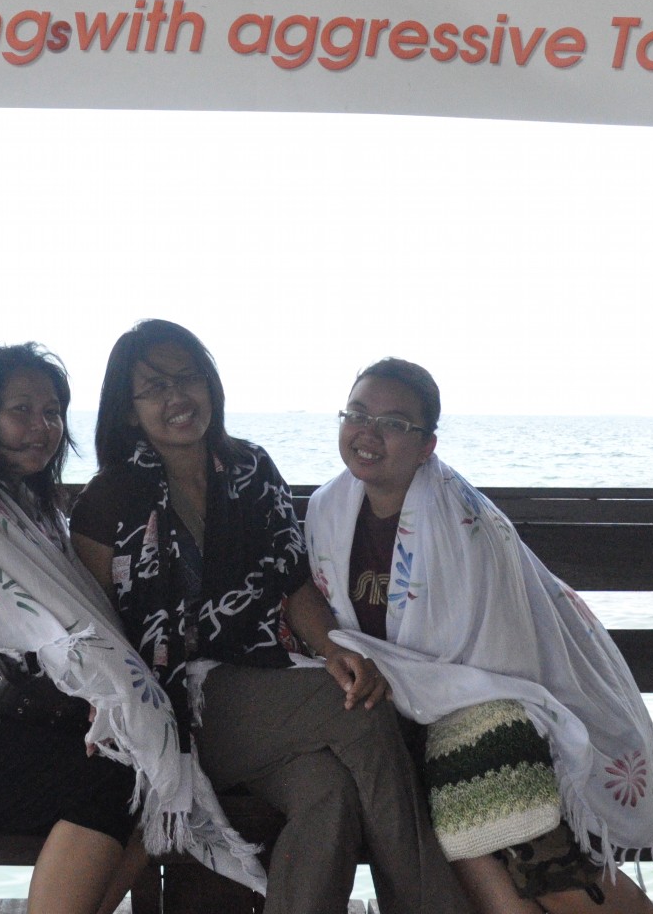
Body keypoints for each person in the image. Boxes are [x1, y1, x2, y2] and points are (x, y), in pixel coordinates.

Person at [0, 343, 264, 914]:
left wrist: (112, 699)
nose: (41, 427)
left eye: (52, 412)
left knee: (152, 760)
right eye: (20, 410)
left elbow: (68, 620)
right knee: (123, 774)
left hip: (7, 715)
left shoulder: (25, 501)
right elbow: (52, 618)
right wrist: (114, 695)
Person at [69, 320, 469, 914]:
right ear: (129, 409)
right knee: (357, 714)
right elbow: (90, 629)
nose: (178, 396)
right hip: (171, 710)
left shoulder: (250, 469)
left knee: (329, 794)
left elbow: (294, 584)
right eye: (155, 387)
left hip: (265, 688)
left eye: (189, 377)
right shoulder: (107, 502)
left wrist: (334, 650)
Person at [307, 360, 653, 914]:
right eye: (357, 414)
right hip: (407, 712)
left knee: (497, 818)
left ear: (426, 445)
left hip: (501, 700)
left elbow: (500, 657)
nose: (368, 432)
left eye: (393, 423)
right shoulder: (328, 509)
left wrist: (409, 691)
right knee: (460, 819)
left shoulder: (464, 524)